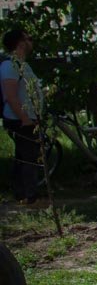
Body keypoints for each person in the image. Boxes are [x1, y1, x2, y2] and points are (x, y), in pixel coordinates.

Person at [1, 28, 46, 205]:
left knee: (24, 157)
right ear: (21, 43)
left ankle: (23, 194)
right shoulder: (11, 65)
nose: (31, 42)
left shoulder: (21, 63)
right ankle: (29, 196)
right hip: (21, 120)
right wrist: (25, 118)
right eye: (29, 38)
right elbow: (10, 96)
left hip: (28, 118)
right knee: (29, 158)